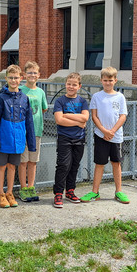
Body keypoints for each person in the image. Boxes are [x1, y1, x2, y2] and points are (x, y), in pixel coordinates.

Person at [81, 67, 129, 204]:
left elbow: (123, 116)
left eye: (110, 80)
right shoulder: (97, 96)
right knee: (99, 164)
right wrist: (104, 131)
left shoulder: (120, 97)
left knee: (116, 163)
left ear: (115, 81)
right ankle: (95, 192)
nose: (108, 83)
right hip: (100, 135)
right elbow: (94, 116)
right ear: (101, 80)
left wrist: (112, 131)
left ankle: (118, 191)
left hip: (116, 136)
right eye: (105, 80)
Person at [0, 65, 36, 208]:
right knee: (1, 166)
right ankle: (0, 194)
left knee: (12, 167)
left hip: (18, 141)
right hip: (4, 139)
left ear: (21, 79)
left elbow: (29, 122)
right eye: (10, 77)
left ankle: (10, 193)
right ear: (6, 78)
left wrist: (31, 142)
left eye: (16, 77)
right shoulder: (1, 98)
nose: (13, 80)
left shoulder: (24, 98)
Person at [52, 72, 89, 209]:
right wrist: (77, 122)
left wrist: (68, 115)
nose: (71, 87)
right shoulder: (60, 101)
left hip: (79, 139)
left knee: (74, 165)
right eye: (69, 84)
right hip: (64, 138)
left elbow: (85, 118)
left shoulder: (82, 101)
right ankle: (58, 193)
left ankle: (70, 190)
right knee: (63, 165)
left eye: (74, 84)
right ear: (65, 84)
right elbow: (59, 120)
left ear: (79, 86)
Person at [18, 61, 48, 202]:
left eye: (35, 73)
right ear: (24, 75)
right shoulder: (20, 90)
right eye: (29, 72)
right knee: (23, 161)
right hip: (22, 131)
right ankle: (23, 188)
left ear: (39, 75)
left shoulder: (41, 92)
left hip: (36, 131)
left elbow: (43, 108)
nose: (32, 75)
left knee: (33, 161)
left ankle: (31, 187)